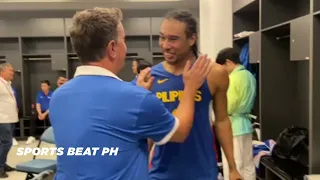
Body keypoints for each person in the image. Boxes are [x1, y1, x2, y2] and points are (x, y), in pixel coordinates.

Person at [49, 7, 212, 180]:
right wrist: (190, 88)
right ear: (112, 48)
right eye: (123, 40)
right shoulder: (135, 99)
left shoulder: (58, 97)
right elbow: (179, 132)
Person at [132, 10, 242, 180]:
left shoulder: (214, 74)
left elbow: (221, 120)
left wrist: (233, 168)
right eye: (162, 37)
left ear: (192, 39)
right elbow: (145, 131)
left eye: (173, 39)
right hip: (161, 173)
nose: (165, 45)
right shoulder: (149, 78)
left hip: (202, 172)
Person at [216, 47, 257, 180]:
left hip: (232, 126)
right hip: (246, 125)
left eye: (221, 67)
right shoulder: (249, 75)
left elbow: (229, 105)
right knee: (248, 165)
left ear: (228, 62)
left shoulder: (232, 78)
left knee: (234, 166)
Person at [0, 63, 17, 178]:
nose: (13, 73)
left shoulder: (8, 84)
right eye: (10, 70)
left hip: (10, 118)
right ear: (2, 71)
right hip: (3, 119)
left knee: (4, 143)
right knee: (7, 143)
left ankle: (3, 164)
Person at [26, 80, 53, 145]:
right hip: (41, 111)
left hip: (49, 111)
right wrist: (40, 114)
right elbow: (38, 105)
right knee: (33, 117)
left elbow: (52, 106)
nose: (43, 87)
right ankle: (32, 136)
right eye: (42, 86)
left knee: (51, 117)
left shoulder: (53, 94)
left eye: (45, 86)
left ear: (49, 86)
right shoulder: (39, 94)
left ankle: (51, 136)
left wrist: (44, 114)